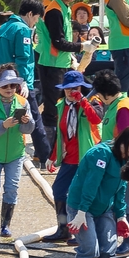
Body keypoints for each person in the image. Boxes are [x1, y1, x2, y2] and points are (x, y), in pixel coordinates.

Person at [67, 126, 129, 258]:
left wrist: (121, 215)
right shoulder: (101, 154)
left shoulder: (125, 160)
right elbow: (91, 184)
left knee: (109, 251)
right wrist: (81, 211)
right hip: (81, 207)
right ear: (122, 140)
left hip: (104, 208)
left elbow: (121, 188)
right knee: (89, 249)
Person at [0, 0, 52, 165]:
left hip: (1, 82)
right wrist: (24, 82)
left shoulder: (4, 27)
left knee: (4, 119)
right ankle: (45, 157)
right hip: (19, 85)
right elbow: (23, 59)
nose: (37, 22)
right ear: (30, 14)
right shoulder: (23, 30)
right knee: (32, 119)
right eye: (37, 18)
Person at [0, 67, 36, 236]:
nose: (9, 89)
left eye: (13, 85)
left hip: (16, 153)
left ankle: (5, 225)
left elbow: (28, 129)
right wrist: (4, 124)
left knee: (12, 188)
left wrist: (27, 121)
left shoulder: (23, 102)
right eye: (5, 86)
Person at [46, 69, 103, 241]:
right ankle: (63, 229)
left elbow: (96, 119)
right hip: (69, 158)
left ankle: (86, 235)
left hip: (87, 158)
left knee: (84, 195)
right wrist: (53, 157)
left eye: (75, 88)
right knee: (59, 191)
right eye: (67, 88)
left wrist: (83, 101)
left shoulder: (92, 101)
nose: (71, 92)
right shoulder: (60, 105)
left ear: (81, 87)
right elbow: (61, 134)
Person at [36, 0, 94, 139]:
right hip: (51, 64)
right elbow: (58, 42)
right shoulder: (55, 10)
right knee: (52, 108)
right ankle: (46, 150)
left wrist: (72, 56)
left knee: (60, 104)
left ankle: (57, 145)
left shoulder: (64, 7)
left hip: (60, 62)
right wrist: (82, 46)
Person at [90, 69, 129, 251]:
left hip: (123, 163)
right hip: (113, 161)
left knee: (126, 202)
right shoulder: (115, 104)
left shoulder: (122, 108)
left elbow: (126, 141)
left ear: (104, 94)